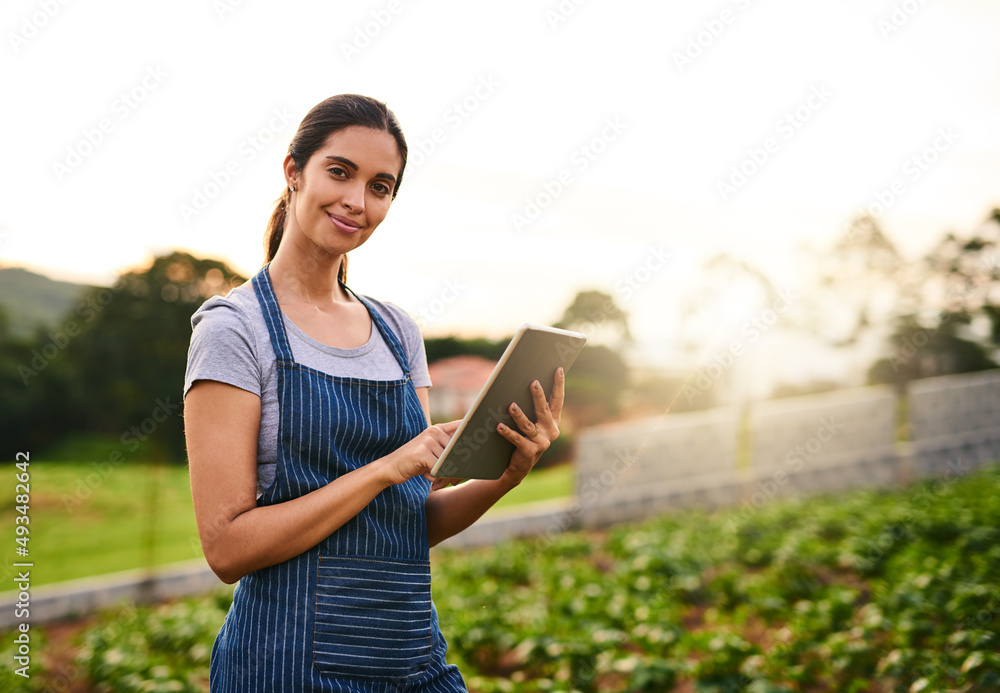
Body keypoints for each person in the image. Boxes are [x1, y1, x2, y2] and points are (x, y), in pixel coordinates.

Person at [183, 94, 566, 692]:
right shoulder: (235, 329)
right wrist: (387, 468)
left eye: (381, 186)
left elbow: (407, 523)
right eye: (340, 172)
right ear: (293, 171)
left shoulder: (396, 331)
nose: (357, 202)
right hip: (285, 664)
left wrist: (507, 474)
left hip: (410, 654)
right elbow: (227, 548)